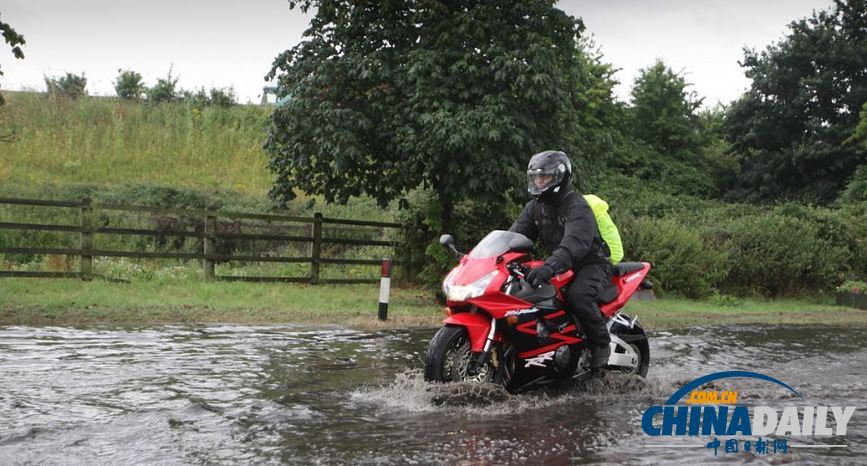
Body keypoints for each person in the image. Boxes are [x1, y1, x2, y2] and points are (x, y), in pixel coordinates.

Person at [508, 150, 612, 370]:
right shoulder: (534, 207)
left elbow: (574, 244)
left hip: (591, 264)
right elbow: (514, 237)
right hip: (561, 264)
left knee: (578, 296)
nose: (539, 182)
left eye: (544, 177)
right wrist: (489, 257)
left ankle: (601, 345)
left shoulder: (576, 206)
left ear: (559, 177)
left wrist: (548, 268)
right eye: (536, 177)